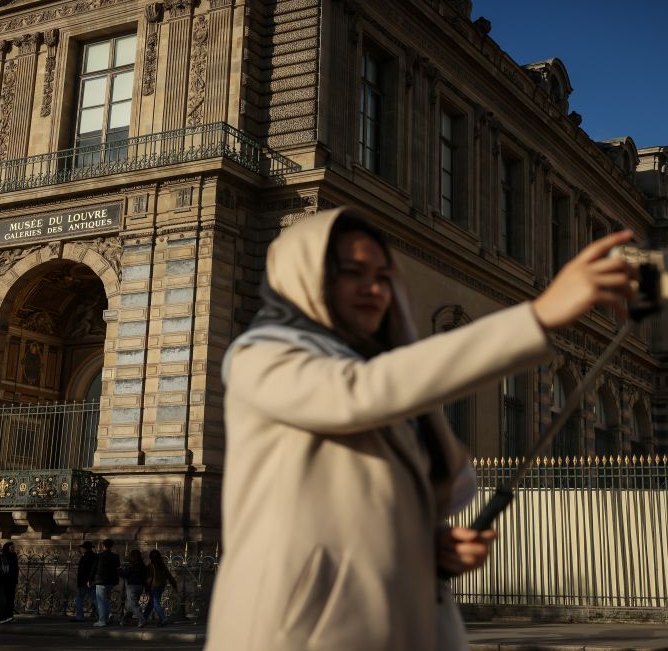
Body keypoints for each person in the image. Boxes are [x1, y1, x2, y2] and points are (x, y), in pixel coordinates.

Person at [203, 208, 638, 651]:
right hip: (298, 632)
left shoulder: (382, 378)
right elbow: (358, 395)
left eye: (382, 275)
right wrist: (538, 316)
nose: (374, 289)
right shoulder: (259, 356)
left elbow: (361, 503)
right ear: (301, 279)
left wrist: (430, 545)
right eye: (352, 273)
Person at [93, 539, 120, 627]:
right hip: (111, 581)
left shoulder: (99, 555)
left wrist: (90, 580)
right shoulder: (116, 556)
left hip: (101, 581)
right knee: (105, 600)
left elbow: (94, 568)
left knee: (101, 601)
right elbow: (117, 568)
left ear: (103, 546)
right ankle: (108, 614)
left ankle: (102, 620)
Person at [143, 549, 172, 626]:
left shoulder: (151, 565)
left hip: (154, 587)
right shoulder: (162, 565)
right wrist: (174, 584)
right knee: (151, 603)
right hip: (161, 586)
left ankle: (163, 618)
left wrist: (146, 587)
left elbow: (149, 578)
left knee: (155, 603)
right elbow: (169, 575)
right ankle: (144, 617)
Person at [71, 541, 97, 623]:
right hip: (92, 580)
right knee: (95, 598)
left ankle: (79, 617)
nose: (81, 549)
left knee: (79, 599)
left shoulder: (84, 557)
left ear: (85, 548)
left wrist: (80, 583)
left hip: (84, 581)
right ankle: (106, 614)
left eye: (82, 548)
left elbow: (82, 571)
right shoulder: (95, 556)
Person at [120, 549, 147, 627]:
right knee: (132, 604)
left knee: (133, 604)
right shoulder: (143, 566)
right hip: (140, 586)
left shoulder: (130, 566)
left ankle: (142, 619)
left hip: (131, 586)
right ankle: (125, 619)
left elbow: (124, 574)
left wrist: (119, 569)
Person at [0, 541, 19, 623]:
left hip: (12, 580)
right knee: (4, 599)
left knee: (11, 598)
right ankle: (4, 616)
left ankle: (9, 616)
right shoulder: (3, 555)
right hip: (4, 580)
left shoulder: (14, 555)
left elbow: (16, 568)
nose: (13, 549)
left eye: (14, 547)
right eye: (12, 548)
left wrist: (15, 580)